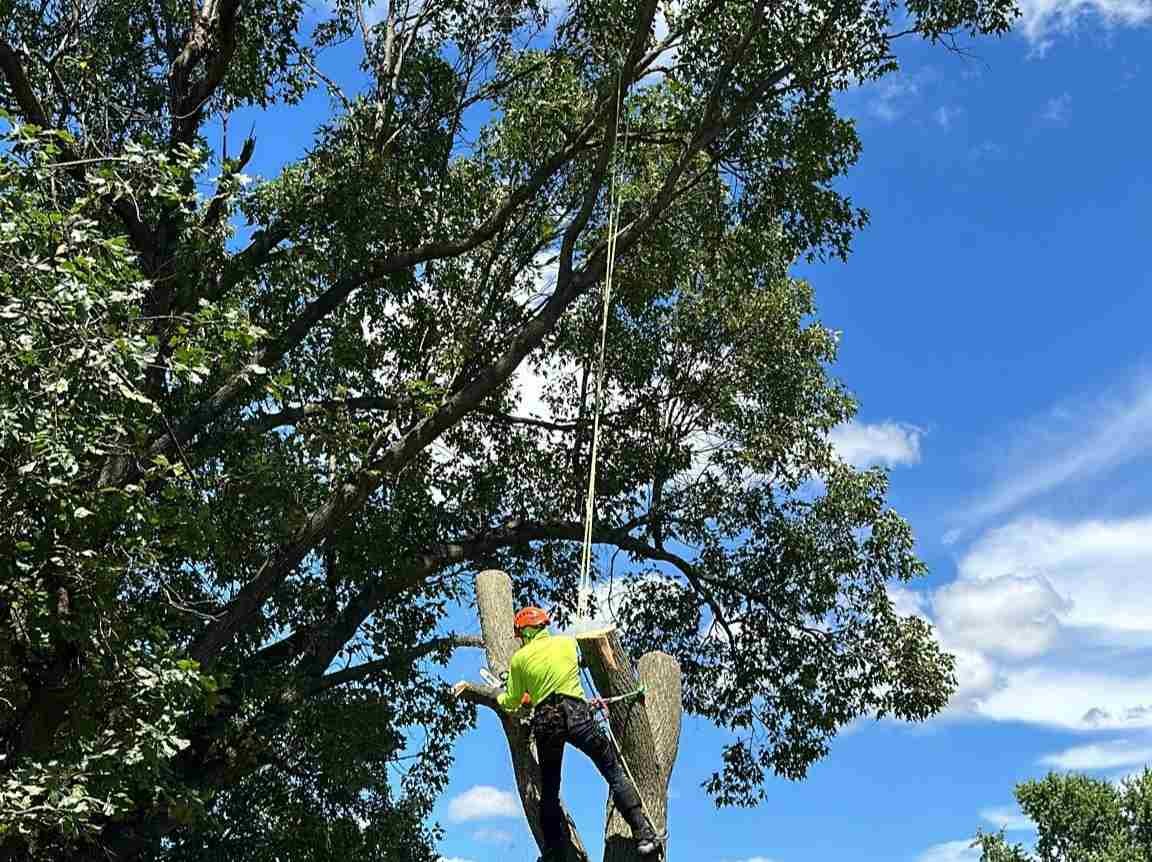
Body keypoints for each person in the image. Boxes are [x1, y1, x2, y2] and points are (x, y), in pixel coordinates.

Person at [483, 606, 659, 860]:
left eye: (521, 634)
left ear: (526, 631)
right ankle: (643, 832)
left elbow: (513, 701)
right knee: (612, 770)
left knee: (550, 789)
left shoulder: (519, 660)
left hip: (546, 722)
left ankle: (554, 852)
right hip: (578, 714)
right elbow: (573, 668)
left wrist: (501, 696)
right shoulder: (566, 644)